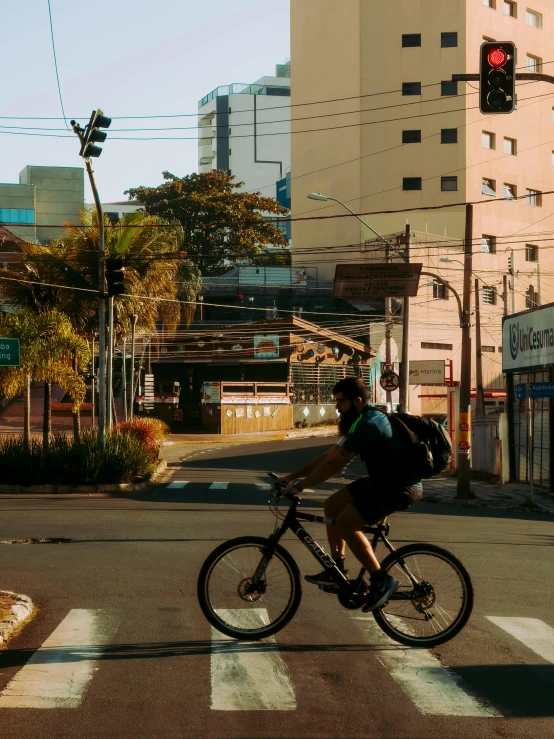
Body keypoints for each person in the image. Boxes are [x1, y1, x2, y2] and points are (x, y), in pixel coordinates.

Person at [279, 376, 422, 613]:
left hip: (400, 486)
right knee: (331, 506)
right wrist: (292, 476)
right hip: (382, 481)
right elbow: (328, 456)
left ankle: (381, 579)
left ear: (356, 401)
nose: (337, 407)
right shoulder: (359, 421)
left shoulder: (369, 424)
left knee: (345, 523)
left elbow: (334, 466)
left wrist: (300, 486)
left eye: (341, 402)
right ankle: (337, 570)